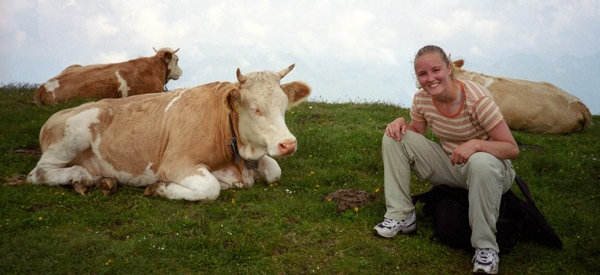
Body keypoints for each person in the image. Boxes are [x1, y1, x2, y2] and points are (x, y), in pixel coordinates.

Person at [373, 45, 519, 274]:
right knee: (394, 137)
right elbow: (416, 137)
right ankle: (401, 214)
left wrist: (476, 144)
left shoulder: (477, 99)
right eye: (422, 74)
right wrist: (401, 122)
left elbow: (511, 149)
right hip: (452, 164)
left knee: (480, 161)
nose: (430, 78)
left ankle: (486, 248)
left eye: (435, 70)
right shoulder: (422, 100)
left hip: (491, 168)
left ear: (449, 69)